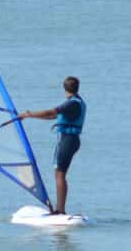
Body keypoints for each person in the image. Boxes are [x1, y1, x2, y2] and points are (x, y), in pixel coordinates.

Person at [17, 76, 85, 215]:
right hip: (71, 140)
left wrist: (29, 113)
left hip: (67, 140)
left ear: (65, 89)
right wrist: (30, 117)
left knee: (60, 174)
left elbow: (51, 112)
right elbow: (53, 117)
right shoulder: (77, 102)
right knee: (59, 174)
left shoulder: (71, 103)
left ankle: (60, 210)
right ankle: (60, 209)